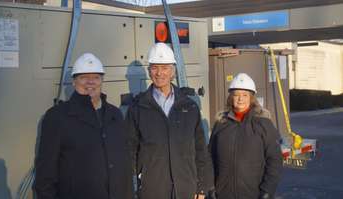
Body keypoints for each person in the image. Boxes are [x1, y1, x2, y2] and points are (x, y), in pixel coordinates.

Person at [34, 53, 132, 199]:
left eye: (96, 77)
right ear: (74, 82)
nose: (90, 82)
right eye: (84, 77)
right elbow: (45, 175)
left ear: (102, 81)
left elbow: (124, 165)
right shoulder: (57, 117)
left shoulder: (115, 115)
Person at [126, 42, 213, 199]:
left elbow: (201, 150)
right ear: (149, 71)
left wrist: (201, 188)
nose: (159, 73)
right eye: (154, 67)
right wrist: (133, 187)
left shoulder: (189, 107)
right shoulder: (137, 108)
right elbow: (129, 152)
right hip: (152, 190)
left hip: (186, 189)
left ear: (173, 71)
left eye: (165, 68)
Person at [209, 73, 283, 199]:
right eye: (236, 95)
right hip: (223, 194)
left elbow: (275, 160)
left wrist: (267, 191)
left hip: (253, 194)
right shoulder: (221, 124)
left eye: (245, 95)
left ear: (251, 98)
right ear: (231, 97)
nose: (240, 99)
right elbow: (209, 158)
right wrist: (210, 187)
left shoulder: (263, 124)